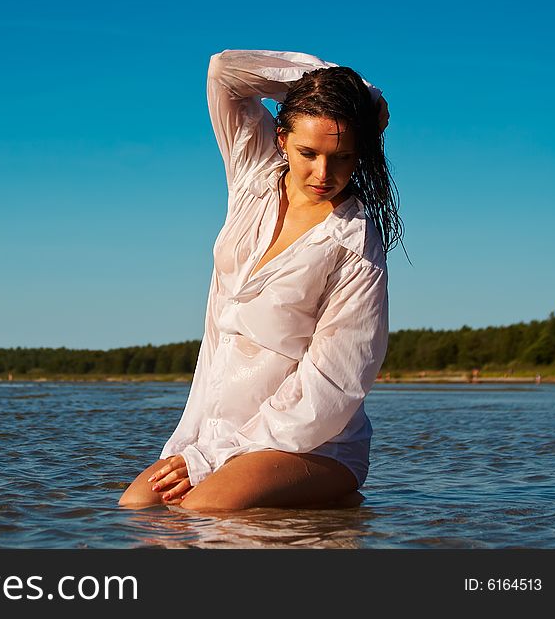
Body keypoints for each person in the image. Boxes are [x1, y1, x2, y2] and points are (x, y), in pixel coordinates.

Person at [119, 48, 402, 511]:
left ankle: (331, 493)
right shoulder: (252, 177)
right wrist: (355, 89)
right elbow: (224, 73)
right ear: (282, 137)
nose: (323, 174)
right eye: (308, 153)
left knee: (202, 511)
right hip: (209, 430)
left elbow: (334, 381)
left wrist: (213, 459)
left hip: (309, 442)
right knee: (137, 510)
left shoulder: (355, 244)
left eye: (343, 157)